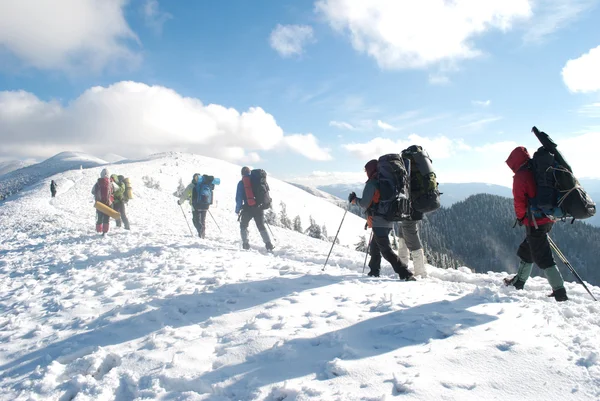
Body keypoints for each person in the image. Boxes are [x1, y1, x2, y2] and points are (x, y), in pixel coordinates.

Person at [504, 146, 568, 302]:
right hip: (548, 217)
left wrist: (520, 218)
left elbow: (519, 201)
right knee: (528, 249)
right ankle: (519, 282)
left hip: (535, 221)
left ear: (514, 161)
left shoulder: (521, 175)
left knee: (542, 256)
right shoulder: (535, 168)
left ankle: (560, 292)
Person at [349, 160, 415, 281]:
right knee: (375, 246)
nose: (366, 173)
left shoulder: (372, 184)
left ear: (370, 170)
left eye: (366, 170)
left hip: (379, 221)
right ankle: (374, 271)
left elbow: (364, 203)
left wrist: (354, 200)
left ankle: (405, 273)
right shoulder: (384, 182)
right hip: (387, 219)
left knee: (386, 251)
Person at [235, 166, 273, 251]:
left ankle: (245, 244)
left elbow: (239, 198)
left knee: (243, 226)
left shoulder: (242, 183)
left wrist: (237, 210)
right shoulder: (257, 181)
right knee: (261, 226)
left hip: (248, 208)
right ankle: (268, 245)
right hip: (259, 207)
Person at [178, 173, 219, 238]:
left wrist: (180, 202)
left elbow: (184, 195)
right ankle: (202, 235)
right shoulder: (206, 184)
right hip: (205, 205)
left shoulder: (192, 185)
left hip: (195, 206)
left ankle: (200, 232)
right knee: (202, 220)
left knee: (196, 220)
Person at [91, 168, 114, 235]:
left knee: (99, 218)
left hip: (99, 203)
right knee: (106, 218)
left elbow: (92, 191)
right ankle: (105, 232)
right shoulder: (110, 183)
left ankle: (98, 231)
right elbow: (113, 191)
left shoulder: (98, 183)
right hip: (108, 203)